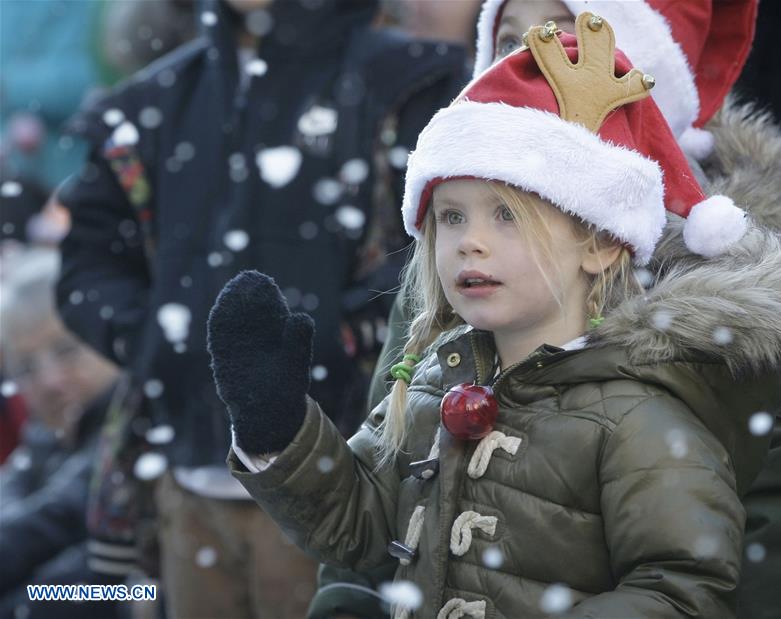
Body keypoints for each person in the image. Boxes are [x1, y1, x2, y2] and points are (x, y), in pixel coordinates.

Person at [209, 15, 781, 617]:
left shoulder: (640, 413)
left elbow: (679, 592)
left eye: (507, 215)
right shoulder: (433, 380)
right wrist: (278, 432)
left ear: (600, 244)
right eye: (452, 216)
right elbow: (358, 531)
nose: (469, 241)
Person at [55, 0, 467, 616]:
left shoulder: (415, 80)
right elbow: (90, 263)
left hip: (351, 476)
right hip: (183, 477)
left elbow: (435, 253)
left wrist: (328, 343)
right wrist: (162, 345)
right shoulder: (150, 101)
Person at [0, 247, 121, 619]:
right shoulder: (46, 435)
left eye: (66, 350)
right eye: (26, 367)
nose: (49, 381)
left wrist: (20, 606)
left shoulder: (140, 428)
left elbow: (58, 518)